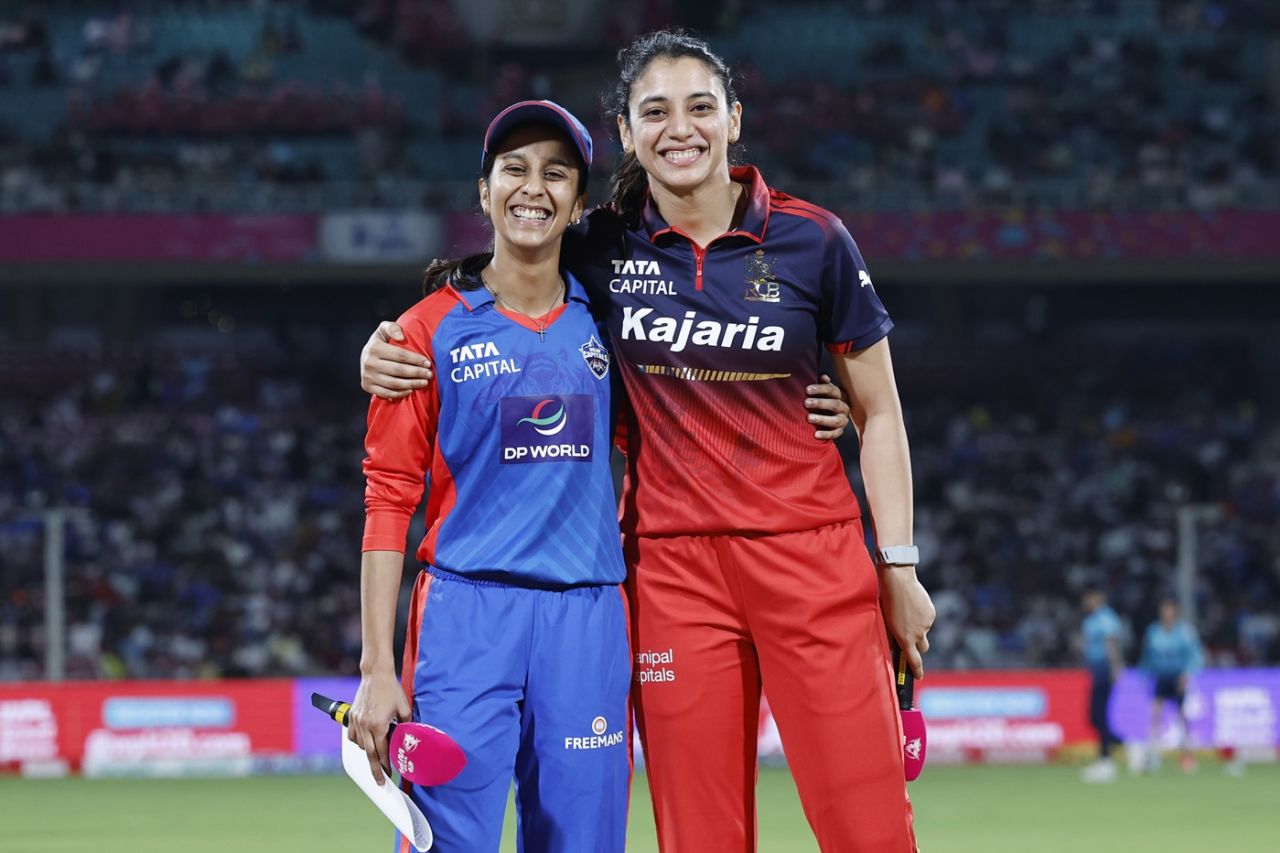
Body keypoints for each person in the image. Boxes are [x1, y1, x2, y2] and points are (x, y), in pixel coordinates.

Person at [361, 30, 933, 853]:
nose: (681, 128)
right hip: (670, 571)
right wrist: (388, 343)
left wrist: (900, 562)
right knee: (697, 837)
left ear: (734, 118)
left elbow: (878, 409)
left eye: (701, 107)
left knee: (867, 826)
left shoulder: (815, 241)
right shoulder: (601, 244)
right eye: (655, 111)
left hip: (812, 558)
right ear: (627, 133)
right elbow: (507, 270)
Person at [346, 101, 632, 853]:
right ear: (484, 191)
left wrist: (818, 401)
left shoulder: (611, 325)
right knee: (450, 844)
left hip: (588, 617)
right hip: (467, 619)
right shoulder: (423, 330)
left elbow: (696, 407)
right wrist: (377, 667)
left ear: (577, 203)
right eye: (514, 169)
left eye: (555, 173)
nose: (532, 187)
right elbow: (387, 500)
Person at [1138, 597, 1204, 774]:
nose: (1166, 615)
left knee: (1182, 716)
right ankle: (1152, 755)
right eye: (1163, 612)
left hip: (1177, 677)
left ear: (1175, 613)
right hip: (1160, 676)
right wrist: (1144, 675)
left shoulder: (1184, 632)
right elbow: (1147, 655)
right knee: (1156, 714)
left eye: (1169, 612)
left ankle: (1187, 755)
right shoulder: (1153, 631)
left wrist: (1187, 674)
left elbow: (1195, 655)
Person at [1079, 587, 1124, 783]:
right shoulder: (1091, 620)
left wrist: (1115, 667)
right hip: (1096, 670)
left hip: (1104, 669)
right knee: (1094, 717)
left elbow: (1110, 642)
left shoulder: (1105, 618)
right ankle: (1116, 745)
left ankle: (1106, 761)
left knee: (1100, 714)